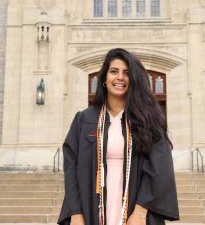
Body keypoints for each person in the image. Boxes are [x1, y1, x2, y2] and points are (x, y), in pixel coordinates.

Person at [57, 48, 179, 225]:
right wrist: (75, 213)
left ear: (133, 80)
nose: (120, 77)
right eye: (114, 71)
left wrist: (140, 212)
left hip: (134, 211)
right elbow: (71, 169)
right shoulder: (84, 120)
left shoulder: (147, 120)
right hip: (91, 209)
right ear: (105, 79)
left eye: (127, 73)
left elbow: (160, 166)